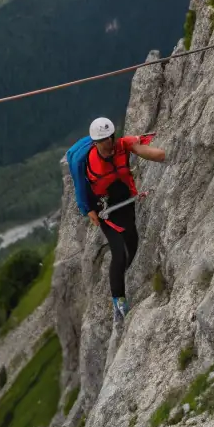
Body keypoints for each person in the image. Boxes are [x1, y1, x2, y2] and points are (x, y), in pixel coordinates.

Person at [84, 116, 165, 323]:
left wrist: (167, 155)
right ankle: (118, 301)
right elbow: (82, 188)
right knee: (118, 252)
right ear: (95, 142)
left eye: (109, 138)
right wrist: (88, 209)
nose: (107, 143)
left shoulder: (123, 145)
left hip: (126, 204)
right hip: (105, 211)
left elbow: (144, 151)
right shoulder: (88, 161)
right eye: (102, 141)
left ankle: (123, 275)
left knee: (133, 243)